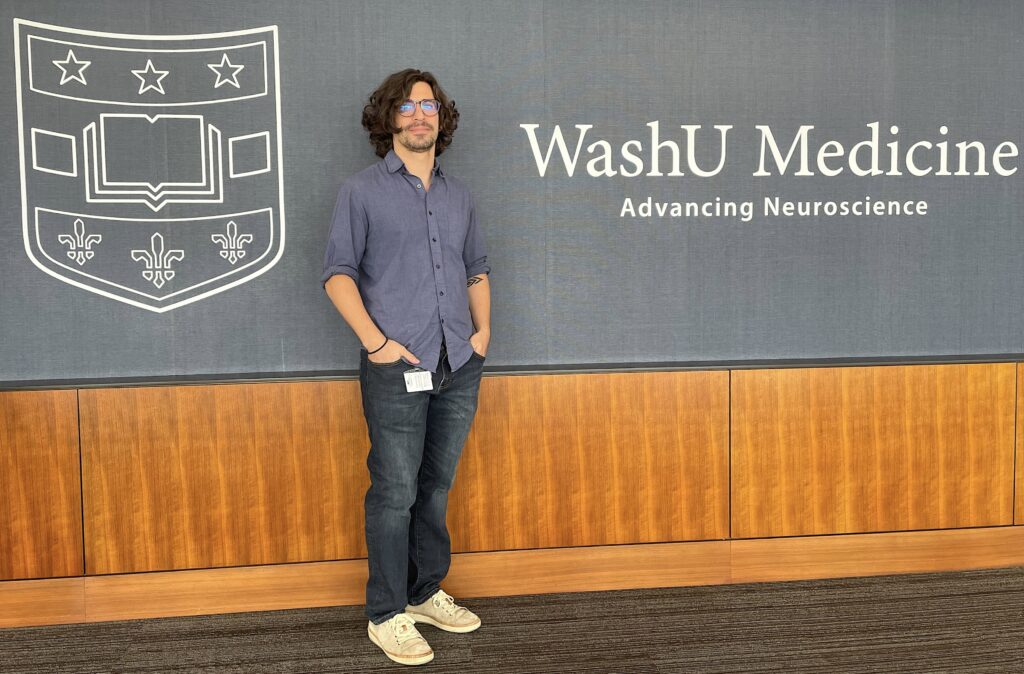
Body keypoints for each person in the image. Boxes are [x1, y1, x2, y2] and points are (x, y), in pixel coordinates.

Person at [321, 68, 491, 667]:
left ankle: (423, 593)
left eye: (430, 105)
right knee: (394, 491)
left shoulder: (459, 195)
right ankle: (386, 612)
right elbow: (338, 274)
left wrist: (482, 333)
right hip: (397, 366)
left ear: (441, 118)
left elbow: (477, 267)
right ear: (388, 117)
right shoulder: (361, 191)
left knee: (435, 487)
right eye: (407, 106)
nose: (420, 115)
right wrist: (376, 344)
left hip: (458, 363)